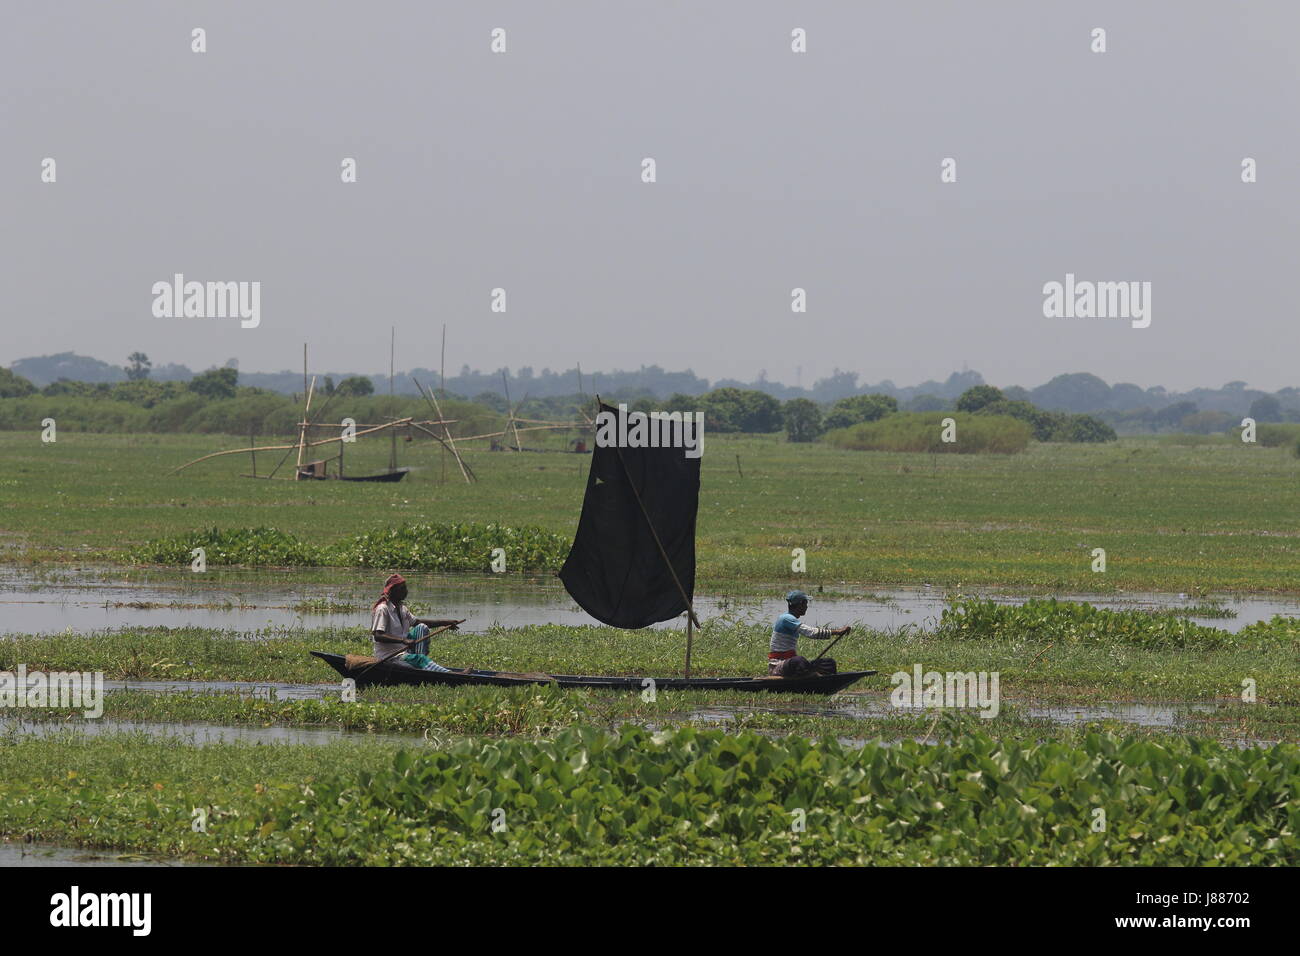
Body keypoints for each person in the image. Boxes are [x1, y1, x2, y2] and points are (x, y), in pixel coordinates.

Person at [370, 573, 466, 673]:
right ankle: (453, 674)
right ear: (393, 591)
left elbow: (417, 622)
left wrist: (445, 622)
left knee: (422, 627)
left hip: (403, 650)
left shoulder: (401, 608)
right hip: (389, 656)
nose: (406, 591)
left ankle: (419, 663)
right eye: (402, 588)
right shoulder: (383, 609)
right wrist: (403, 640)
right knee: (420, 659)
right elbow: (378, 635)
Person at [768, 590, 850, 677]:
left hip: (790, 663)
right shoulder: (786, 619)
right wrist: (838, 632)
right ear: (800, 604)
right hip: (778, 666)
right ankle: (812, 677)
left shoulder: (790, 618)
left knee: (829, 663)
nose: (807, 607)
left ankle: (817, 678)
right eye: (806, 604)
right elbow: (811, 633)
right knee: (799, 661)